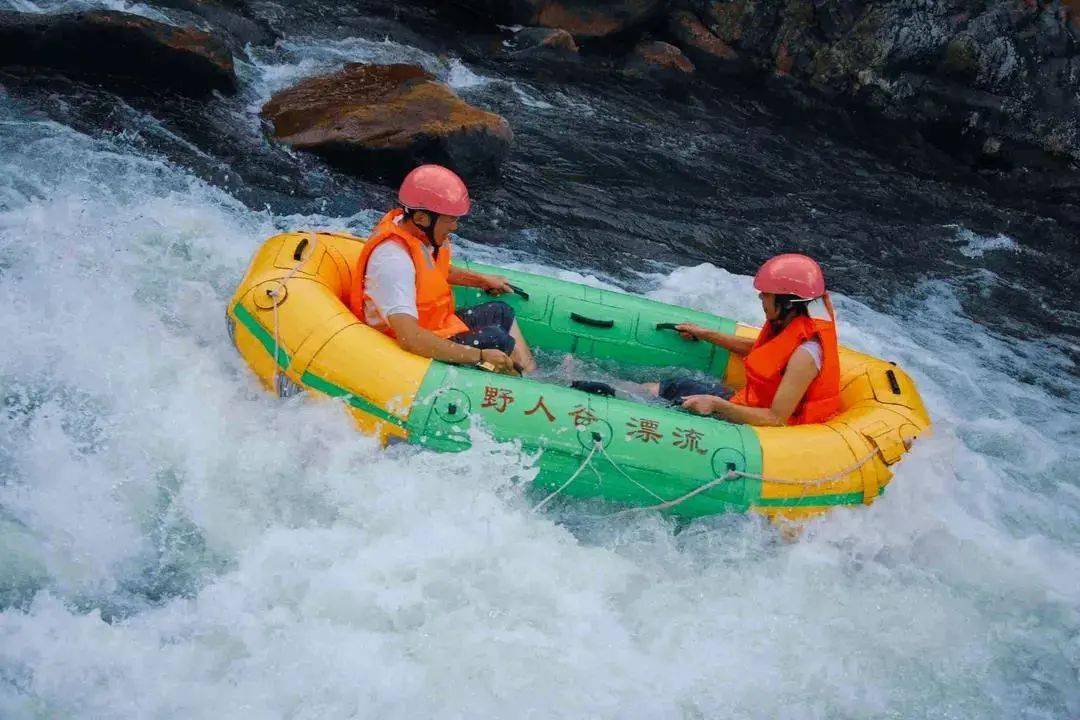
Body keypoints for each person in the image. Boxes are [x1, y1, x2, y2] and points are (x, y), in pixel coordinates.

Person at [348, 164, 537, 375]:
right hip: (411, 341)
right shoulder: (393, 261)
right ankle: (522, 391)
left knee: (500, 312)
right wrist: (481, 355)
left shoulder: (419, 234)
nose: (454, 227)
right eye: (451, 220)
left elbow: (436, 270)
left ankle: (531, 375)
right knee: (496, 339)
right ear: (421, 218)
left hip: (436, 325)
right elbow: (409, 338)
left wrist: (482, 280)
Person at [647, 253, 840, 426]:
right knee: (678, 385)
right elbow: (762, 351)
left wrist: (716, 405)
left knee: (679, 398)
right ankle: (622, 393)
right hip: (749, 403)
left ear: (788, 303)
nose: (761, 299)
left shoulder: (806, 354)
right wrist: (705, 334)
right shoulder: (789, 323)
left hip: (764, 427)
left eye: (766, 295)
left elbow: (776, 419)